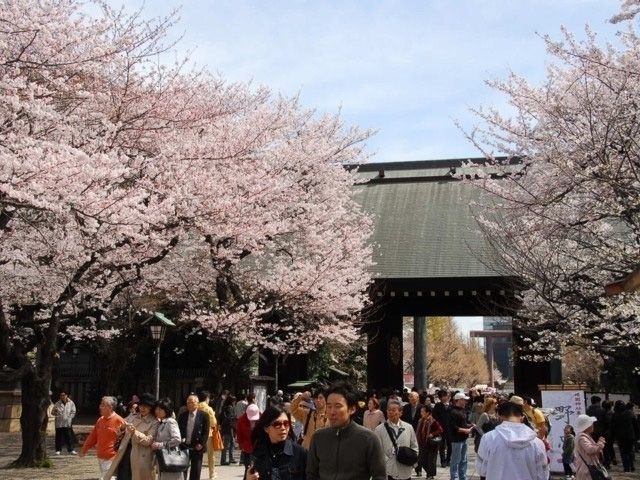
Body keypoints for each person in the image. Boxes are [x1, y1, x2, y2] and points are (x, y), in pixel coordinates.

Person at [307, 381, 386, 480]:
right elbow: (311, 474)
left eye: (338, 406)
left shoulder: (369, 439)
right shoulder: (318, 437)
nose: (332, 412)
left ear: (352, 409)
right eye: (329, 406)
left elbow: (380, 476)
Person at [476, 400, 548, 480]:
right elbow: (543, 474)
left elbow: (481, 470)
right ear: (522, 417)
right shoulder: (537, 442)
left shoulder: (488, 438)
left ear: (499, 417)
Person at [245, 404, 307, 480]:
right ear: (266, 429)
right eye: (277, 424)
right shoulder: (258, 454)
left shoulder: (300, 453)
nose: (283, 428)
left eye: (286, 423)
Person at [80, 396, 127, 478]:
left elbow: (126, 438)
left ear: (110, 407)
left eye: (103, 405)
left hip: (112, 456)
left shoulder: (119, 421)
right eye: (101, 404)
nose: (100, 407)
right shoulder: (100, 420)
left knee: (106, 477)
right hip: (100, 455)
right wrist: (84, 449)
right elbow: (93, 436)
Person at [375, 399, 419, 480]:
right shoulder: (379, 429)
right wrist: (387, 462)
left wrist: (413, 463)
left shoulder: (408, 427)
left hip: (406, 469)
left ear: (400, 413)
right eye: (388, 410)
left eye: (393, 410)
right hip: (389, 471)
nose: (390, 412)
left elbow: (414, 446)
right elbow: (377, 450)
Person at [178, 394, 210, 480]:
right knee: (182, 469)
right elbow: (179, 430)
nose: (190, 404)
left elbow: (206, 432)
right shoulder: (182, 415)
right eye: (188, 402)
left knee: (196, 470)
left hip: (197, 447)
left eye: (192, 402)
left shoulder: (204, 415)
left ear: (197, 403)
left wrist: (201, 444)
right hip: (184, 446)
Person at [151, 398, 183, 480]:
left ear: (167, 410)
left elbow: (177, 439)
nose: (157, 411)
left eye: (160, 409)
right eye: (156, 409)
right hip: (163, 456)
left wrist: (160, 445)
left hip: (171, 456)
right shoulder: (161, 422)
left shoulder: (170, 422)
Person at [448, 392, 474, 480]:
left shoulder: (462, 410)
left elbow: (463, 423)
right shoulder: (452, 411)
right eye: (464, 400)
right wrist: (465, 430)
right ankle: (454, 478)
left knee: (464, 460)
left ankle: (463, 477)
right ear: (459, 400)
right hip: (456, 440)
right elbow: (453, 427)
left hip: (464, 439)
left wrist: (470, 425)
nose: (465, 402)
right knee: (455, 460)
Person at [574, 413, 606, 480]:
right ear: (587, 426)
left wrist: (598, 443)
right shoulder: (582, 437)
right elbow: (590, 450)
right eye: (591, 424)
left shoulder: (584, 436)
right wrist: (600, 444)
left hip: (587, 467)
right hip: (586, 469)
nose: (593, 425)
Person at [415, 404, 443, 480]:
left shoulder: (432, 421)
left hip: (431, 443)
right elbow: (418, 431)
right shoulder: (420, 420)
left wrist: (432, 434)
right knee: (421, 460)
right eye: (421, 411)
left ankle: (430, 475)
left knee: (431, 461)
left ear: (427, 413)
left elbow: (440, 430)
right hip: (422, 443)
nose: (421, 413)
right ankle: (430, 473)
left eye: (422, 411)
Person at [401, 392, 423, 477]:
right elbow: (402, 419)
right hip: (407, 431)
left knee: (417, 451)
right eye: (411, 398)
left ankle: (419, 469)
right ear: (409, 399)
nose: (412, 400)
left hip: (419, 432)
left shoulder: (422, 407)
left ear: (418, 398)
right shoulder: (405, 407)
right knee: (408, 450)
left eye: (414, 398)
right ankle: (408, 468)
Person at [197, 390, 218, 480]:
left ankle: (197, 474)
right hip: (208, 434)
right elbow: (213, 423)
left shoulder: (196, 407)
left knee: (198, 454)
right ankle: (212, 474)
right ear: (207, 398)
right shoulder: (208, 409)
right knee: (210, 455)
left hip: (197, 433)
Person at [611, 399, 636, 472]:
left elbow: (613, 427)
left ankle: (626, 467)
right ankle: (632, 466)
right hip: (630, 436)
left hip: (620, 437)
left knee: (623, 452)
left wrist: (612, 437)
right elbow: (635, 425)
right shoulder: (629, 413)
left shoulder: (614, 415)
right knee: (630, 451)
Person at [237, 403, 260, 477]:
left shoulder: (262, 417)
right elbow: (239, 434)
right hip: (246, 447)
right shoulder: (241, 420)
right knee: (248, 468)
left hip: (258, 446)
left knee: (258, 468)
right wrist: (241, 446)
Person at [432, 390, 451, 468]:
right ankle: (443, 461)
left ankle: (448, 460)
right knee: (441, 445)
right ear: (440, 398)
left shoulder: (451, 405)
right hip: (441, 429)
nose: (444, 398)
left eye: (445, 396)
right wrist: (438, 426)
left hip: (450, 429)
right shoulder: (437, 406)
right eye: (442, 396)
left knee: (450, 445)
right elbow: (434, 417)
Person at [220, 395, 237, 465]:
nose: (234, 402)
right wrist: (234, 418)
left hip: (227, 427)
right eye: (234, 401)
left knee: (231, 443)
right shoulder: (229, 408)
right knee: (227, 444)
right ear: (232, 401)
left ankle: (231, 458)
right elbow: (230, 418)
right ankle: (223, 460)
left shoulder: (225, 407)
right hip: (229, 428)